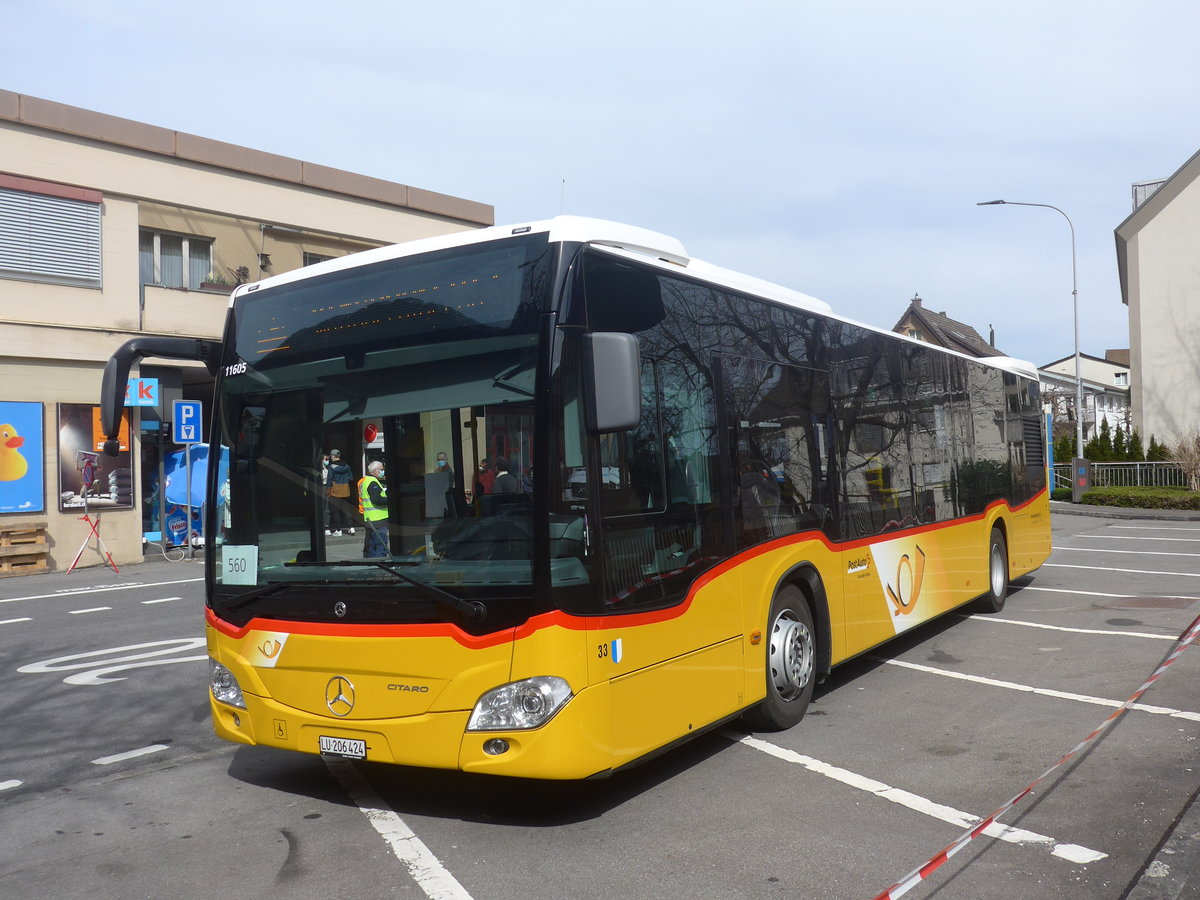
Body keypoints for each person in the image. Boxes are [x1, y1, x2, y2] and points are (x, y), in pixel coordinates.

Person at [358, 460, 389, 557]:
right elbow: (377, 499)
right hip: (378, 519)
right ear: (375, 471)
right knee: (381, 546)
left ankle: (372, 566)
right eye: (381, 469)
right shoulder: (373, 482)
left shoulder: (365, 481)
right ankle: (380, 568)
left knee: (372, 546)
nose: (383, 471)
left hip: (370, 518)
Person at [325, 450, 355, 536]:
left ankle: (339, 530)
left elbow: (329, 480)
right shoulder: (347, 466)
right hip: (345, 491)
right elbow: (351, 478)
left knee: (335, 511)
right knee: (346, 510)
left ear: (333, 456)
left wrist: (328, 491)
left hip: (335, 491)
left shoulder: (331, 467)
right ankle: (351, 528)